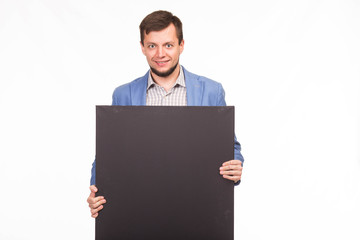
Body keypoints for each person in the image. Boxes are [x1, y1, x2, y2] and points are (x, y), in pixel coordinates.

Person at [87, 10, 244, 218]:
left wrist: (235, 164)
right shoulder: (123, 94)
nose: (160, 54)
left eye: (168, 45)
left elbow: (229, 146)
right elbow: (109, 154)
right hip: (140, 207)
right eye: (152, 45)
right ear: (142, 47)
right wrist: (96, 190)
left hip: (196, 206)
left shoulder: (212, 91)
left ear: (181, 45)